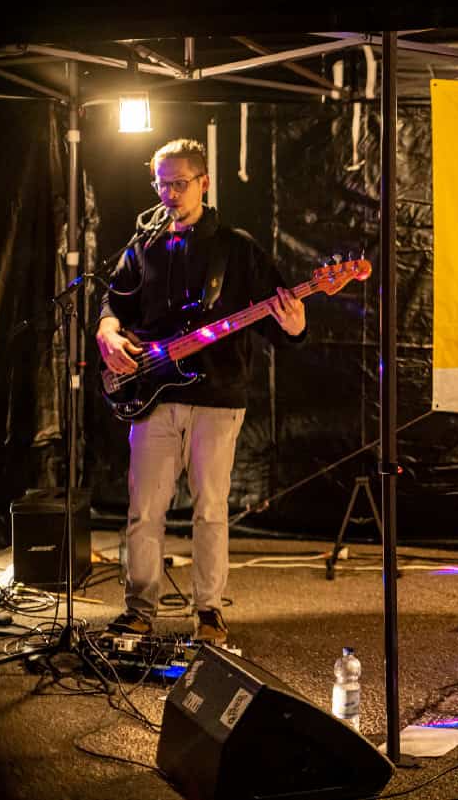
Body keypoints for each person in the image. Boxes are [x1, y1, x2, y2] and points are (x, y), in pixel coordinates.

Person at [97, 138, 307, 645]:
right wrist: (107, 331)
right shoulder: (144, 245)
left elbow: (278, 322)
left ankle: (209, 611)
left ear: (204, 183)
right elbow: (114, 303)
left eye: (179, 183)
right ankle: (138, 608)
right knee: (144, 510)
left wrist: (296, 323)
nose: (169, 194)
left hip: (217, 396)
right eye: (161, 184)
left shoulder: (237, 248)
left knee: (210, 510)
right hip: (152, 393)